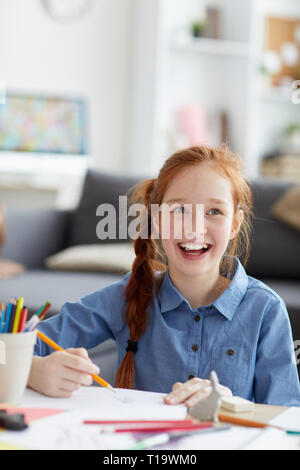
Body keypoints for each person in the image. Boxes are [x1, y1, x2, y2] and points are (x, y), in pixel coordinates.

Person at [28, 145, 300, 407]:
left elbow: (287, 420)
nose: (194, 228)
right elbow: (14, 347)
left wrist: (233, 405)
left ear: (235, 224)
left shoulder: (265, 310)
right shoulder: (129, 295)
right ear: (157, 220)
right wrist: (34, 371)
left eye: (214, 211)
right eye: (179, 210)